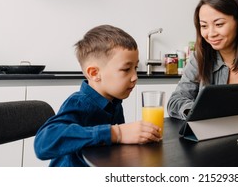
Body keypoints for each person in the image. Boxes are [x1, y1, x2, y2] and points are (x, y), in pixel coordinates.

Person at [34, 25, 161, 167]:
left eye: (135, 68)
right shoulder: (79, 102)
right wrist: (117, 133)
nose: (135, 77)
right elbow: (43, 143)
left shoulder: (114, 102)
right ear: (94, 73)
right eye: (126, 69)